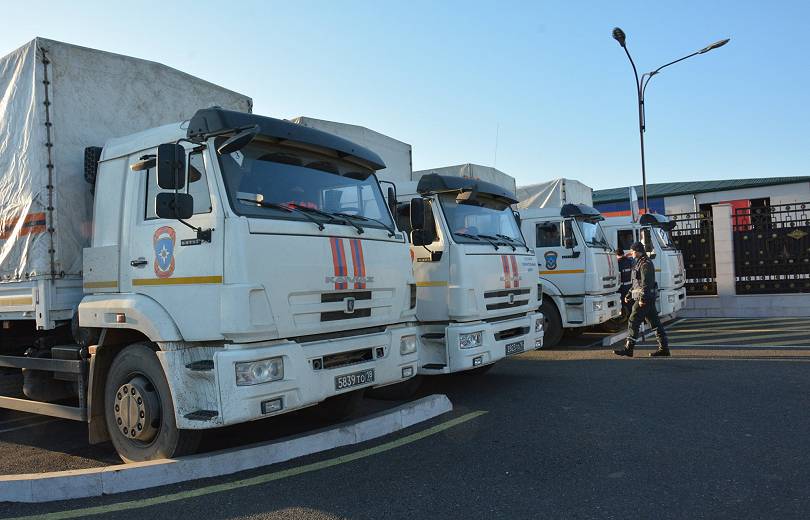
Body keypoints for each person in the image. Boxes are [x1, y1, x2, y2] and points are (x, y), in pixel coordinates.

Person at [613, 241, 670, 358]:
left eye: (633, 251)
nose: (631, 253)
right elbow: (636, 283)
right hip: (645, 297)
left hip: (644, 298)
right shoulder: (639, 262)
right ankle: (664, 349)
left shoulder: (645, 264)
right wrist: (629, 294)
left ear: (638, 251)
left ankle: (629, 349)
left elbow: (646, 283)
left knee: (633, 320)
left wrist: (642, 299)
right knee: (655, 323)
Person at [615, 248, 633, 315]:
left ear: (616, 255)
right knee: (629, 303)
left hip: (621, 287)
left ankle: (624, 316)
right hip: (629, 286)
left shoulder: (617, 262)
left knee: (622, 303)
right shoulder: (629, 261)